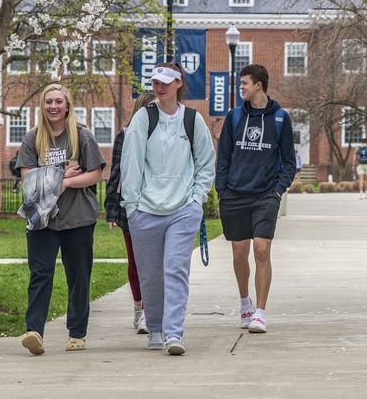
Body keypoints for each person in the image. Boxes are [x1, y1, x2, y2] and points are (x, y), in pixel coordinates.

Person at [120, 62, 216, 355]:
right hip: (145, 211)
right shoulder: (142, 119)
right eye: (155, 82)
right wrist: (132, 207)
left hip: (183, 209)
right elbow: (131, 163)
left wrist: (197, 199)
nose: (158, 87)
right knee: (150, 275)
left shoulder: (192, 119)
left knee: (175, 269)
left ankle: (174, 334)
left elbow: (205, 161)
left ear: (178, 83)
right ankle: (157, 328)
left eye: (164, 82)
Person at [16, 84, 106, 355]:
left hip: (78, 218)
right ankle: (34, 331)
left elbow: (95, 175)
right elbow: (27, 181)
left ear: (67, 105)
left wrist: (63, 184)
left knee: (78, 276)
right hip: (42, 219)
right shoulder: (32, 139)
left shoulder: (82, 136)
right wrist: (63, 176)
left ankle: (77, 333)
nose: (53, 106)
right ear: (42, 106)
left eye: (58, 101)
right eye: (48, 102)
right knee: (40, 273)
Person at [215, 64, 295, 334]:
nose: (241, 88)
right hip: (234, 195)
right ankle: (245, 303)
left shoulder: (280, 118)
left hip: (265, 195)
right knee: (239, 254)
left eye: (245, 84)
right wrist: (222, 190)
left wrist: (277, 190)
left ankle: (260, 312)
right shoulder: (234, 117)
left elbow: (289, 162)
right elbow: (223, 157)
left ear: (258, 85)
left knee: (261, 249)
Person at [104, 92, 156, 335]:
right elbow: (116, 173)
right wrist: (112, 210)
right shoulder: (125, 135)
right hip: (131, 208)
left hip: (159, 207)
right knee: (136, 264)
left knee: (155, 264)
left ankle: (150, 311)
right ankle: (139, 307)